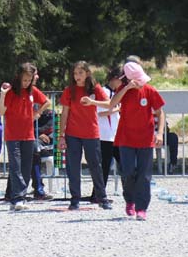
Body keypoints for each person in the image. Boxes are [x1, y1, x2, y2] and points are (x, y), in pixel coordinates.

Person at [109, 61, 165, 221]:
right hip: (126, 139)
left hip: (146, 139)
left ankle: (142, 208)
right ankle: (130, 201)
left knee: (144, 175)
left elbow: (160, 113)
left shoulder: (150, 90)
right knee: (127, 172)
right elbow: (112, 104)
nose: (142, 82)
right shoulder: (123, 90)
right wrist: (126, 88)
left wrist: (159, 133)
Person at [59, 61, 112, 210]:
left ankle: (102, 198)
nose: (77, 76)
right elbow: (64, 113)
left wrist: (92, 102)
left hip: (91, 133)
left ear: (87, 73)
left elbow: (109, 104)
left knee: (95, 166)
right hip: (72, 133)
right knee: (73, 167)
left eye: (80, 73)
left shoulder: (95, 88)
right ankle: (75, 199)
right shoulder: (69, 90)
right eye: (75, 73)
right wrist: (61, 135)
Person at [0, 63, 51, 211]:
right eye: (24, 80)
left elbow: (47, 101)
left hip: (28, 134)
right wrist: (2, 95)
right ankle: (18, 198)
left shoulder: (32, 91)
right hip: (12, 135)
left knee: (26, 167)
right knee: (15, 166)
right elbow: (1, 111)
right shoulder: (10, 92)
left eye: (29, 80)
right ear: (19, 77)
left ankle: (21, 195)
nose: (26, 83)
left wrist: (38, 112)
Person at [94, 67, 122, 199]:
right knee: (104, 166)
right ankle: (98, 194)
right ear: (115, 78)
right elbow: (100, 112)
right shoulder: (104, 92)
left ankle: (131, 192)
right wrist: (117, 109)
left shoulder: (114, 92)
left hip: (115, 135)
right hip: (105, 135)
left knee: (123, 163)